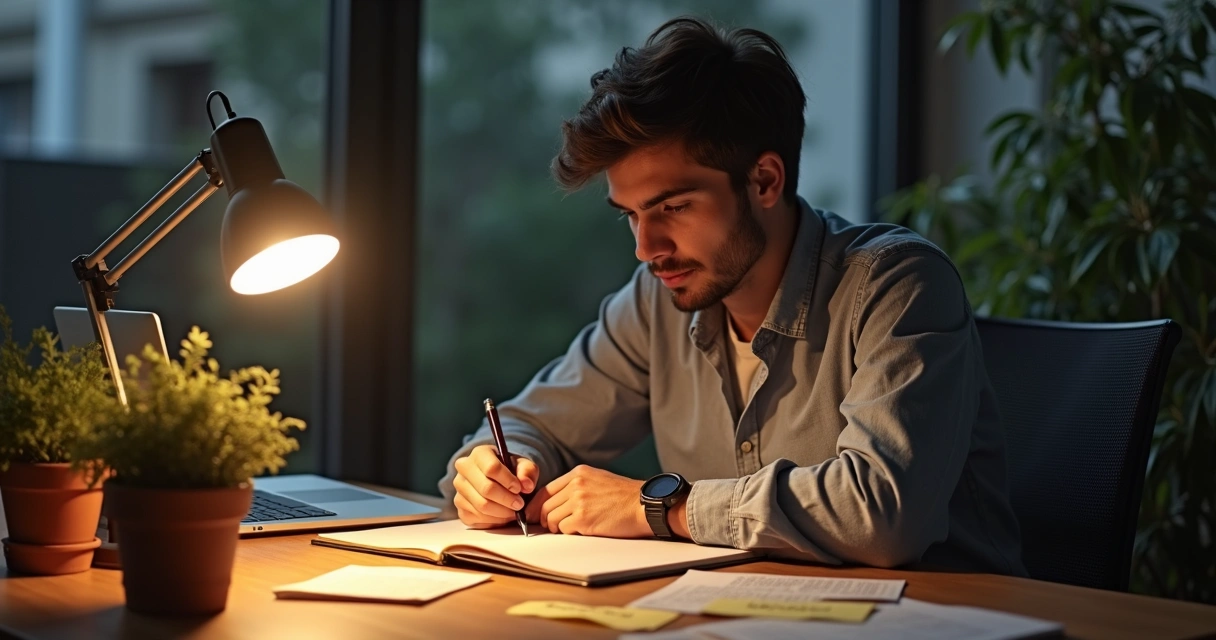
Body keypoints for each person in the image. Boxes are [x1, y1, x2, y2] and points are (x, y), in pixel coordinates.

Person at [439, 16, 1025, 575]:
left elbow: (880, 512)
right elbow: (528, 426)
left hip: (939, 619)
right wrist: (494, 469)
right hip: (745, 616)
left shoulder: (896, 285)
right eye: (631, 216)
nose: (647, 248)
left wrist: (659, 506)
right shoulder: (656, 301)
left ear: (765, 180)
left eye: (673, 207)